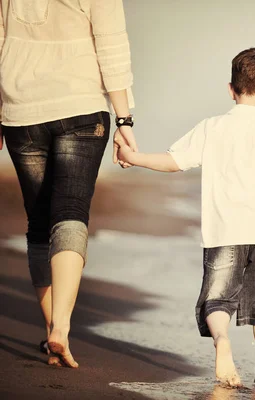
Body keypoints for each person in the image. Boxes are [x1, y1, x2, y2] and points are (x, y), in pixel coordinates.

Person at [115, 47, 255, 387]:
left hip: (223, 231)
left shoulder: (212, 127)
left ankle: (222, 342)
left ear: (231, 89)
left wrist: (135, 157)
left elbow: (174, 161)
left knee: (217, 298)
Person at [0, 0, 137, 368]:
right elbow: (111, 44)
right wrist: (125, 120)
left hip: (21, 111)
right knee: (71, 211)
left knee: (39, 222)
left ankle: (51, 331)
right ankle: (61, 328)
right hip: (81, 106)